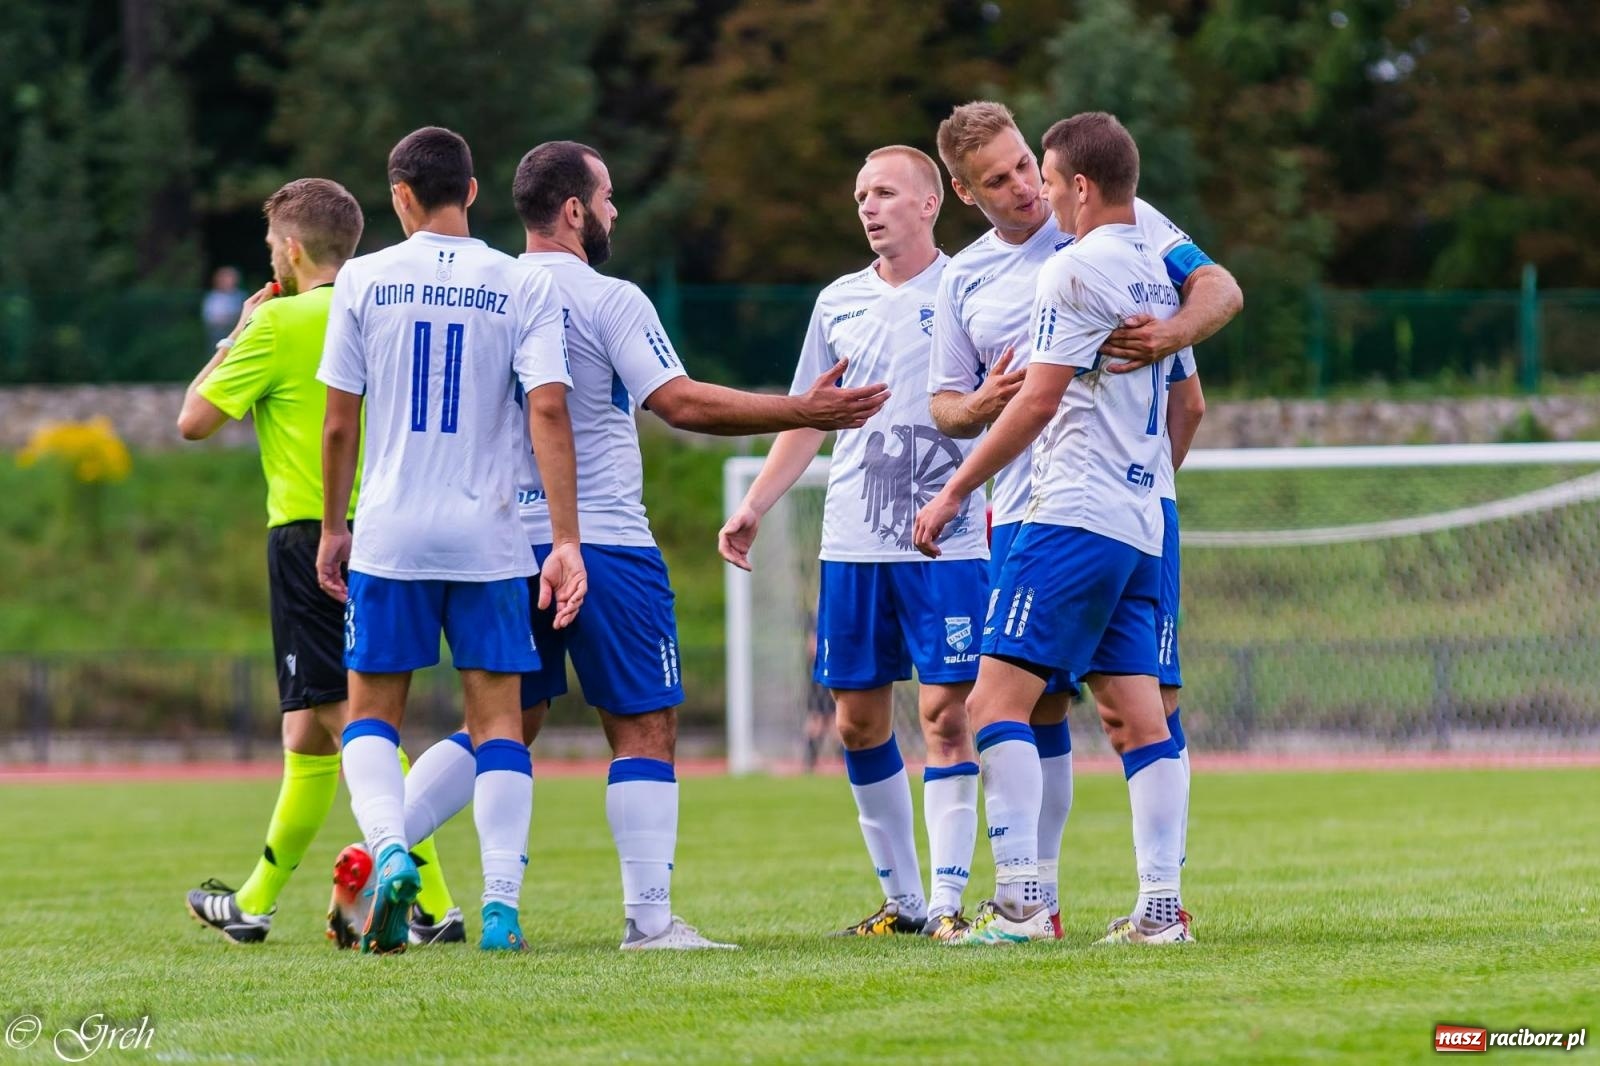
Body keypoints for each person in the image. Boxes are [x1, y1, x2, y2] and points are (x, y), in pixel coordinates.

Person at [393, 140, 890, 950]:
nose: (616, 211)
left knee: (505, 723)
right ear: (576, 211)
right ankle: (649, 921)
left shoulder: (489, 292)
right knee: (645, 725)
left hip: (496, 544)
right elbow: (681, 403)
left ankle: (379, 845)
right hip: (605, 541)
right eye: (609, 197)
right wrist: (802, 410)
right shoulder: (608, 297)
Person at [928, 100, 1239, 932]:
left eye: (1035, 168)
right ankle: (1160, 910)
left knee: (991, 707)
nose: (1030, 187)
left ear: (1074, 182)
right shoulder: (1139, 253)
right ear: (967, 191)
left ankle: (1023, 902)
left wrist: (955, 491)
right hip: (1133, 517)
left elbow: (1035, 408)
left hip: (1064, 512)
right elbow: (954, 404)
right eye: (1000, 177)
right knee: (1135, 713)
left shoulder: (1075, 266)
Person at [315, 126, 585, 954]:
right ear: (471, 192)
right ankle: (500, 907)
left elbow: (337, 423)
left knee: (372, 712)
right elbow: (547, 409)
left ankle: (392, 850)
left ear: (400, 196)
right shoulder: (518, 282)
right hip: (490, 534)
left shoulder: (362, 277)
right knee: (500, 719)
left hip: (392, 531)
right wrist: (565, 539)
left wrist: (333, 526)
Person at [176, 178, 460, 944]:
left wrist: (239, 333)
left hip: (312, 537)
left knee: (351, 720)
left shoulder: (280, 325)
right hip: (393, 530)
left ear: (291, 250)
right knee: (306, 733)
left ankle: (432, 899)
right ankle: (255, 901)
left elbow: (193, 421)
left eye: (273, 247)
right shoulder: (382, 305)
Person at [720, 146, 990, 942]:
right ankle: (903, 903)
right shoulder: (837, 301)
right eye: (859, 193)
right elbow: (810, 417)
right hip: (855, 542)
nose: (868, 206)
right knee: (857, 724)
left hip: (950, 541)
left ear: (931, 203)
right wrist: (756, 505)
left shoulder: (968, 289)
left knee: (946, 716)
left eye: (885, 192)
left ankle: (947, 900)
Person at [202, 266, 246, 345]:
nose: (230, 281)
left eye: (232, 278)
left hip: (240, 336)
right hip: (218, 336)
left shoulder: (241, 296)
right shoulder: (213, 297)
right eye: (227, 278)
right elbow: (212, 319)